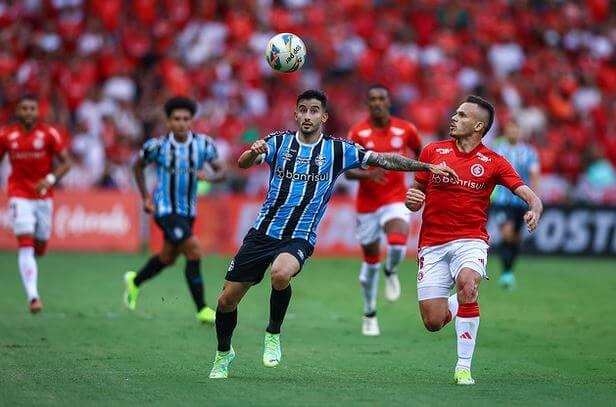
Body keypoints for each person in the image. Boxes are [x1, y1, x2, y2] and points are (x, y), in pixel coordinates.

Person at [209, 89, 458, 379]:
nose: (307, 115)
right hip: (262, 233)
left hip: (299, 235)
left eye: (314, 110)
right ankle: (223, 353)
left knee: (280, 274)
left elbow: (385, 160)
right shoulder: (279, 142)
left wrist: (426, 166)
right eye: (302, 109)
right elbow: (243, 163)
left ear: (324, 117)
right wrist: (252, 152)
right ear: (295, 114)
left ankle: (273, 333)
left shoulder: (338, 150)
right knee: (227, 301)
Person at [405, 96, 542, 385]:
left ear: (478, 126)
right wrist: (413, 199)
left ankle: (463, 367)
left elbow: (526, 191)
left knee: (469, 282)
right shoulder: (432, 151)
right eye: (455, 113)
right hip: (432, 244)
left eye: (462, 115)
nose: (454, 118)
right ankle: (457, 303)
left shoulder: (493, 162)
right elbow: (416, 192)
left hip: (471, 240)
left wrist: (535, 207)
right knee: (433, 322)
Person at [124, 97, 226, 323]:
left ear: (192, 121)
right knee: (194, 251)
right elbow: (137, 166)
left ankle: (135, 281)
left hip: (188, 211)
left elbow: (223, 172)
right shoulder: (157, 146)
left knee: (168, 258)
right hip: (164, 208)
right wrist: (144, 197)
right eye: (176, 119)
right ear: (169, 122)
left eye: (185, 119)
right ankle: (202, 309)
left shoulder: (203, 145)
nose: (181, 123)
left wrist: (209, 176)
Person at [346, 84, 422, 336]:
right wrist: (367, 175)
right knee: (369, 262)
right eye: (372, 99)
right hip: (367, 206)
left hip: (395, 198)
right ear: (368, 104)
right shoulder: (358, 132)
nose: (377, 103)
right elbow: (346, 170)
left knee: (398, 243)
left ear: (388, 102)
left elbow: (422, 156)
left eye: (381, 98)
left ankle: (392, 269)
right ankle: (369, 312)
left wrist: (420, 184)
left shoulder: (406, 129)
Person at [0, 94, 72, 313]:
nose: (28, 112)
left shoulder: (49, 134)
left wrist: (49, 179)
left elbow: (67, 163)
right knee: (26, 244)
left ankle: (35, 256)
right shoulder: (6, 135)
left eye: (32, 108)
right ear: (18, 111)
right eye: (24, 108)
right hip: (19, 194)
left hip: (43, 197)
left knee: (39, 246)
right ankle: (33, 297)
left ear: (37, 111)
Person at [490, 119, 540, 288]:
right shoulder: (497, 149)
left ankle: (508, 272)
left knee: (516, 237)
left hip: (520, 201)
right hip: (502, 201)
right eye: (510, 129)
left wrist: (533, 199)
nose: (513, 132)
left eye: (516, 129)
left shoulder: (529, 152)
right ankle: (507, 273)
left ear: (520, 132)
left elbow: (534, 175)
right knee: (506, 234)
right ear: (506, 131)